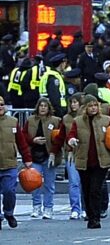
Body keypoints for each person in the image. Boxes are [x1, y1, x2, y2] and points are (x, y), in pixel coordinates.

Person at [65, 95, 110, 229]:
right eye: (90, 106)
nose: (93, 108)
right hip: (84, 160)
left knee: (95, 189)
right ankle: (89, 213)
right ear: (85, 108)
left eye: (95, 105)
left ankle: (95, 218)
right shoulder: (78, 121)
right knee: (87, 189)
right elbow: (71, 135)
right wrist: (71, 141)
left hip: (102, 160)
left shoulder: (106, 120)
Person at [24, 97, 62, 220]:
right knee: (34, 184)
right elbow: (23, 135)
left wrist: (54, 152)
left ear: (49, 108)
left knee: (49, 184)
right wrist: (33, 140)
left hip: (49, 156)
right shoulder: (30, 120)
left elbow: (59, 138)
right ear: (37, 107)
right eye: (41, 106)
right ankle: (36, 206)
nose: (43, 108)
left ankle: (48, 208)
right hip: (34, 155)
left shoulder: (55, 121)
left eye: (45, 106)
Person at [0, 94, 33, 231]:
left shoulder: (13, 122)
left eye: (2, 104)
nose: (0, 107)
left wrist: (27, 159)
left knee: (9, 191)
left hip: (9, 164)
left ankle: (9, 213)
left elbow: (21, 142)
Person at [58, 94, 84, 220]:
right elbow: (61, 137)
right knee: (73, 183)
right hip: (71, 154)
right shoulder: (66, 118)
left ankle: (85, 208)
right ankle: (75, 209)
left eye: (76, 102)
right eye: (71, 102)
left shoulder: (86, 117)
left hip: (84, 153)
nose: (73, 105)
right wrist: (54, 152)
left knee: (85, 183)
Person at [39, 52, 68, 117]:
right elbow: (55, 98)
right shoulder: (53, 78)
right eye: (64, 63)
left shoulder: (51, 75)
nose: (65, 65)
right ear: (61, 64)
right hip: (55, 112)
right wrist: (60, 112)